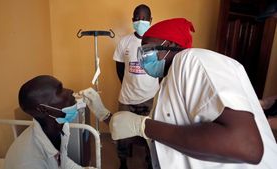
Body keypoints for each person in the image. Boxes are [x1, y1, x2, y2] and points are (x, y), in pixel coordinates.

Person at [81, 18, 277, 169]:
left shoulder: (193, 60)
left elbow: (247, 146)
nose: (142, 57)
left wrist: (143, 126)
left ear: (171, 46)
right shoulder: (167, 85)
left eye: (147, 49)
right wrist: (105, 114)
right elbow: (161, 134)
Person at [5, 75, 95, 169]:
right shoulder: (28, 162)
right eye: (60, 91)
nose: (70, 91)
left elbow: (61, 161)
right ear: (44, 109)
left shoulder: (61, 126)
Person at [112, 4, 157, 169]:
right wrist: (128, 85)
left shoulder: (156, 43)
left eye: (144, 18)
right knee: (122, 133)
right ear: (132, 20)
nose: (141, 21)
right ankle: (123, 163)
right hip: (127, 98)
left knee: (150, 134)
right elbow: (119, 69)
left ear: (151, 20)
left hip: (149, 98)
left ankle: (150, 161)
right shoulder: (125, 42)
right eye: (137, 18)